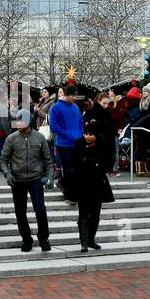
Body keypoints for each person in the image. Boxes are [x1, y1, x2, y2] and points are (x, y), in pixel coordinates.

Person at [0, 108, 54, 252]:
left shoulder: (40, 137)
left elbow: (48, 160)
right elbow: (3, 160)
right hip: (17, 179)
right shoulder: (11, 139)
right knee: (20, 211)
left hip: (36, 178)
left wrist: (49, 177)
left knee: (40, 208)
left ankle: (44, 239)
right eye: (17, 120)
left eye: (22, 120)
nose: (19, 123)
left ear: (29, 121)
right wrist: (7, 174)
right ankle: (26, 239)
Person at [68, 120, 115, 253]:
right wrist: (86, 163)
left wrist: (96, 165)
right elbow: (73, 161)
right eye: (86, 134)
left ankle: (91, 239)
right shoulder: (79, 143)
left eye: (91, 134)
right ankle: (83, 241)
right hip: (82, 183)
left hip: (97, 183)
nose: (87, 137)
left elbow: (108, 163)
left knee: (95, 214)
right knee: (83, 214)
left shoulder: (103, 144)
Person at [49, 85, 84, 191]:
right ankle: (69, 192)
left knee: (76, 168)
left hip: (76, 142)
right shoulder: (56, 107)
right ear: (67, 94)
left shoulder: (75, 107)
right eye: (73, 95)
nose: (74, 97)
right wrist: (68, 135)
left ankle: (66, 186)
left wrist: (80, 134)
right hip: (64, 143)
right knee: (68, 169)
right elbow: (54, 126)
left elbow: (80, 122)